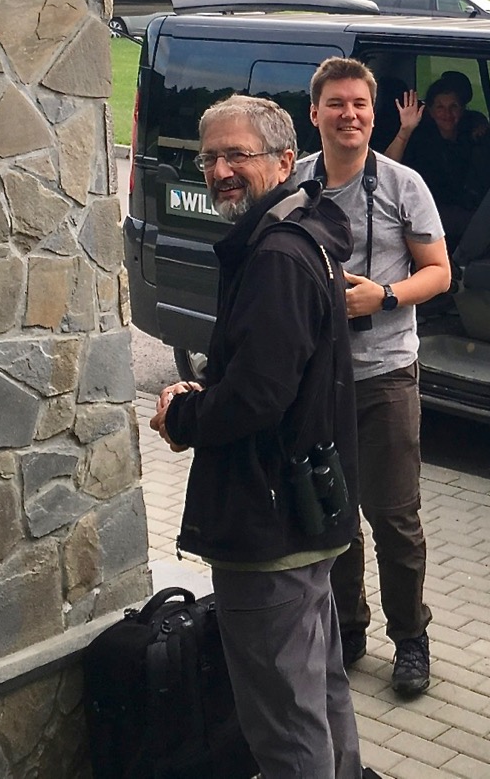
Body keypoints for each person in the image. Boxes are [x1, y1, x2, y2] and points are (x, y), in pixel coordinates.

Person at [148, 95, 369, 779]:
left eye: (235, 154)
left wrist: (183, 418)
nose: (219, 169)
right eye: (208, 156)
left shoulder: (276, 254)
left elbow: (258, 398)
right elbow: (271, 369)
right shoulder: (298, 233)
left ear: (282, 160)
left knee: (282, 717)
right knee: (321, 690)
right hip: (309, 506)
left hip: (268, 520)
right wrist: (209, 387)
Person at [302, 57, 452, 698]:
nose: (350, 114)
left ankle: (410, 639)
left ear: (373, 110)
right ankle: (349, 628)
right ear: (316, 114)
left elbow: (439, 272)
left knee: (394, 518)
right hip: (316, 379)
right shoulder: (294, 186)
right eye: (336, 103)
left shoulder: (402, 184)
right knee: (333, 514)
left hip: (386, 373)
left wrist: (382, 297)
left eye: (360, 103)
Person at [386, 75, 479, 237]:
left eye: (454, 106)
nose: (447, 113)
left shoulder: (470, 135)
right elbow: (385, 168)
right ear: (430, 110)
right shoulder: (419, 140)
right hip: (423, 212)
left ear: (463, 109)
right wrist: (405, 131)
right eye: (440, 107)